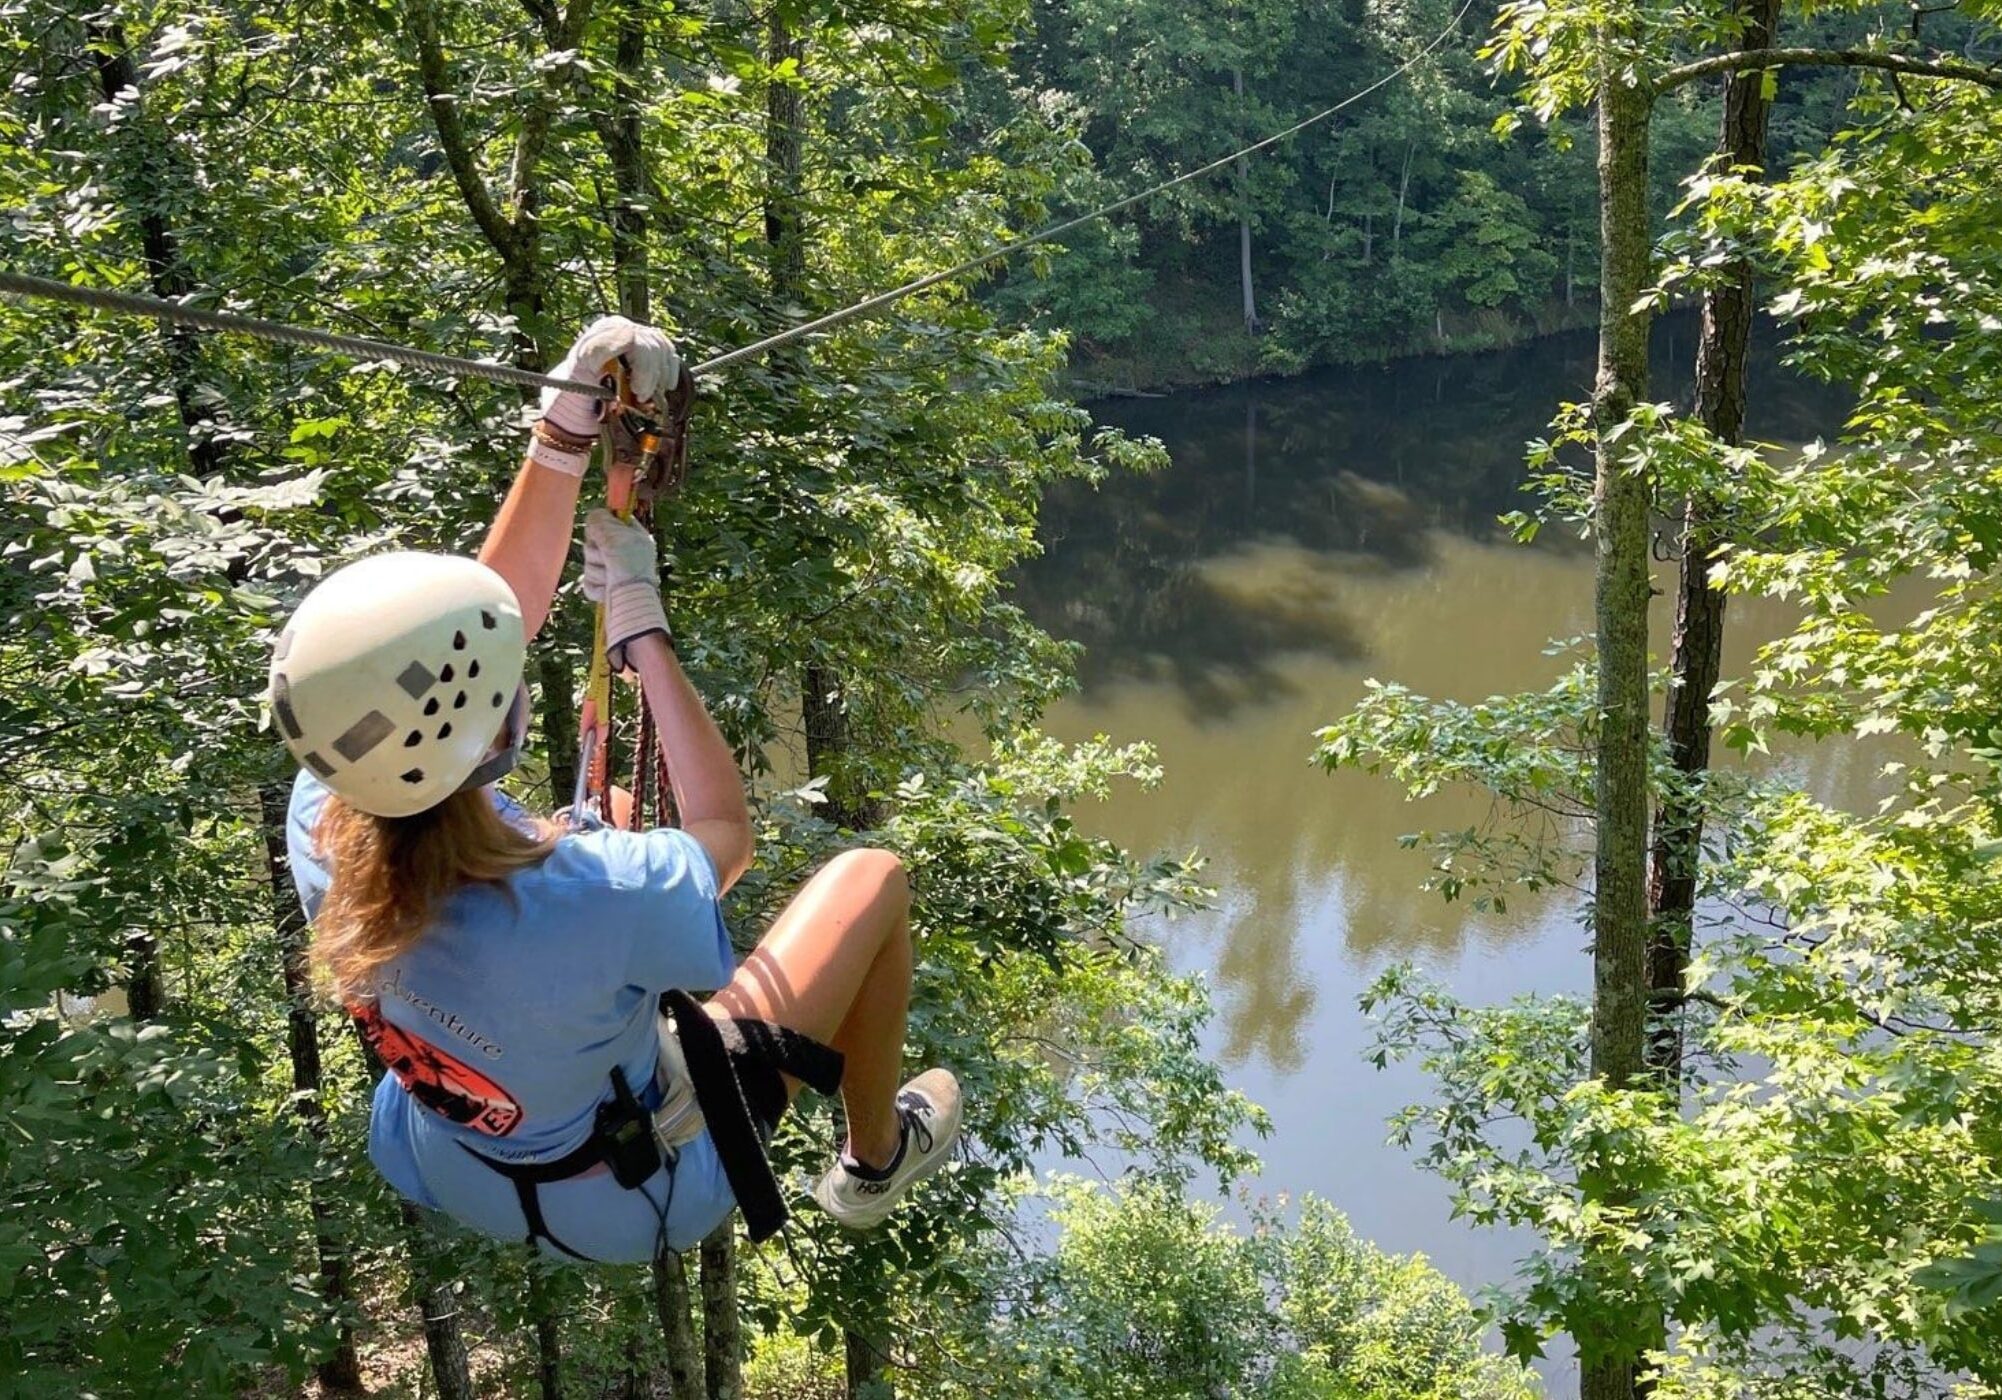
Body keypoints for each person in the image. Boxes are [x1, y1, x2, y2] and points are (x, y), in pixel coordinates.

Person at [269, 316, 960, 1263]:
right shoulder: (588, 896)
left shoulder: (324, 817)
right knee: (874, 875)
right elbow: (726, 831)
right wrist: (645, 633)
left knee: (621, 819)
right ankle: (875, 1161)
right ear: (498, 728)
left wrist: (562, 434)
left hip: (451, 1156)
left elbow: (474, 635)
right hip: (632, 1194)